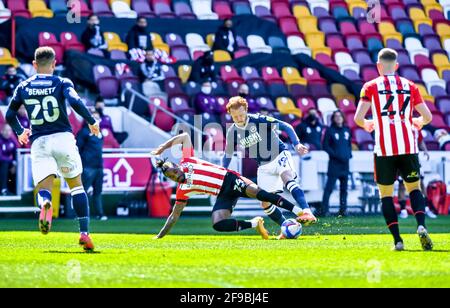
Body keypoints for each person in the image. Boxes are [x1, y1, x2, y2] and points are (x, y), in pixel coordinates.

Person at [5, 47, 100, 251]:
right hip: (63, 139)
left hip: (39, 142)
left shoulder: (23, 86)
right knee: (77, 187)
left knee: (45, 190)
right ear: (55, 64)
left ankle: (46, 203)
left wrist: (21, 131)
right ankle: (84, 233)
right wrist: (92, 120)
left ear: (34, 64)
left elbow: (9, 116)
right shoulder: (62, 82)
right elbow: (75, 100)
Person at [151, 132, 306, 239]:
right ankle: (255, 223)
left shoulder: (187, 160)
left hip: (230, 179)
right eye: (171, 177)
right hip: (224, 194)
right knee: (218, 224)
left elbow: (184, 136)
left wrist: (164, 147)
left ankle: (299, 211)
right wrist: (159, 236)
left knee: (259, 193)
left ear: (177, 166)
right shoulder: (182, 191)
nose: (174, 176)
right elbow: (174, 216)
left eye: (174, 172)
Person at [354, 48, 434, 251]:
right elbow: (428, 117)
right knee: (414, 189)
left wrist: (368, 124)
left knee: (386, 195)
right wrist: (418, 122)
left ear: (378, 66)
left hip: (384, 150)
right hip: (408, 146)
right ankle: (422, 226)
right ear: (396, 66)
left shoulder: (370, 86)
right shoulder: (410, 85)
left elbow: (357, 118)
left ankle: (398, 241)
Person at [223, 96, 317, 231]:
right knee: (265, 203)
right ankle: (288, 228)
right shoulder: (232, 131)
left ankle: (307, 211)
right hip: (263, 166)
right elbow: (228, 153)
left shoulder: (258, 119)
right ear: (230, 115)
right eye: (235, 116)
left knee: (287, 178)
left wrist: (296, 144)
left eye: (241, 114)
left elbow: (286, 126)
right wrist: (223, 171)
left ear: (246, 110)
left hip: (279, 155)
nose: (239, 118)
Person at [321, 110, 352, 217]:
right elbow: (325, 146)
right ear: (333, 119)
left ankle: (343, 210)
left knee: (344, 189)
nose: (338, 118)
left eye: (340, 116)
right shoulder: (330, 130)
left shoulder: (347, 130)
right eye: (336, 116)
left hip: (345, 164)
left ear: (343, 117)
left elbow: (348, 144)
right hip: (334, 164)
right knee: (329, 188)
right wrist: (335, 155)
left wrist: (349, 154)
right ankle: (324, 210)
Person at [77, 110, 107, 221]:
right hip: (88, 167)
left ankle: (100, 214)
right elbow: (77, 149)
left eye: (97, 118)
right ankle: (81, 214)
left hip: (99, 166)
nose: (96, 120)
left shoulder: (100, 133)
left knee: (98, 192)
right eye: (93, 117)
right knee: (83, 192)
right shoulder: (83, 132)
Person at [0, 124, 17, 195]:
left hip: (7, 163)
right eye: (5, 130)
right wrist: (11, 162)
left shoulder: (12, 141)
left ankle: (13, 189)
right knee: (5, 164)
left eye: (9, 130)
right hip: (2, 163)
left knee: (17, 167)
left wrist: (14, 164)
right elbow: (1, 157)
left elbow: (15, 155)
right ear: (1, 131)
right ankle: (3, 189)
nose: (7, 132)